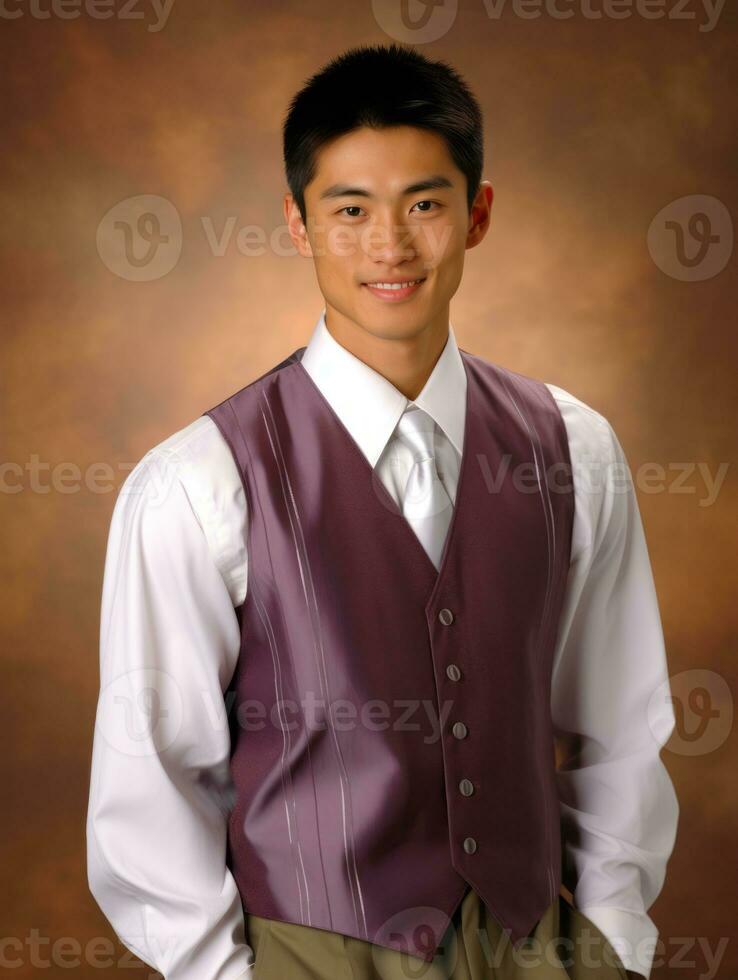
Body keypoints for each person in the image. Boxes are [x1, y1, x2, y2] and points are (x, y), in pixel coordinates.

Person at [86, 42, 679, 980]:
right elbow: (153, 781)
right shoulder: (200, 481)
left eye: (426, 204)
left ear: (477, 215)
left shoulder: (573, 449)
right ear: (297, 222)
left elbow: (618, 720)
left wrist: (612, 942)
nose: (390, 245)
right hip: (310, 955)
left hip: (541, 949)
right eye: (350, 209)